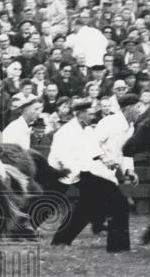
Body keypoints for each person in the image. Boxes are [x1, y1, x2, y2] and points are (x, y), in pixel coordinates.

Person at [50, 98, 133, 251]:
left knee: (85, 208)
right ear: (79, 114)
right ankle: (118, 247)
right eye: (89, 114)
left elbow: (93, 150)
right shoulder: (66, 131)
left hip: (90, 173)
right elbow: (59, 155)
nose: (92, 116)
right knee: (119, 205)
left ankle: (60, 240)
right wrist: (76, 172)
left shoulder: (88, 130)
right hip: (75, 173)